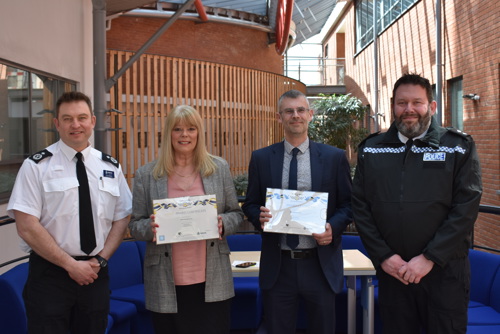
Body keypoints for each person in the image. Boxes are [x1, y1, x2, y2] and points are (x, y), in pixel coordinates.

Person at [352, 73, 482, 334]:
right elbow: (361, 207)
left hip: (445, 274)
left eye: (417, 102)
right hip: (394, 273)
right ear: (393, 106)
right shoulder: (371, 149)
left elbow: (466, 207)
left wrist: (430, 257)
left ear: (431, 107)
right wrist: (384, 257)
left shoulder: (457, 147)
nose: (409, 110)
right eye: (401, 103)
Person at [7, 91, 132, 333]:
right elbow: (26, 225)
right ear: (56, 124)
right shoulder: (36, 166)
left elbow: (122, 216)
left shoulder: (110, 166)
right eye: (67, 119)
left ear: (93, 121)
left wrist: (102, 258)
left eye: (82, 117)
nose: (76, 125)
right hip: (50, 276)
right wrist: (70, 265)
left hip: (95, 274)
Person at [242, 89, 353, 333]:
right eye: (289, 111)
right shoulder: (261, 158)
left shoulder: (334, 157)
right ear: (279, 117)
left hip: (319, 264)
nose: (296, 115)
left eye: (301, 110)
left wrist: (332, 228)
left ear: (310, 115)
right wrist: (257, 216)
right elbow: (250, 203)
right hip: (278, 265)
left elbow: (349, 204)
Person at [129, 105, 244, 334]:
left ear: (199, 133)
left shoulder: (218, 168)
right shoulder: (147, 174)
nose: (184, 135)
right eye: (178, 129)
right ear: (168, 133)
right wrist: (150, 227)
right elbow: (134, 225)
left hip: (211, 276)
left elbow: (236, 213)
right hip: (165, 279)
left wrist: (223, 223)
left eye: (191, 129)